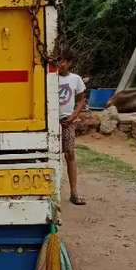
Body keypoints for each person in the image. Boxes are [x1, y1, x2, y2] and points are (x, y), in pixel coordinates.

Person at [58, 49, 87, 206]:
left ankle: (74, 192)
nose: (60, 64)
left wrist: (74, 116)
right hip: (52, 123)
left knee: (70, 155)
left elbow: (82, 99)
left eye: (63, 61)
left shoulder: (75, 79)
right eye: (58, 60)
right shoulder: (50, 78)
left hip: (67, 122)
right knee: (52, 156)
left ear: (69, 63)